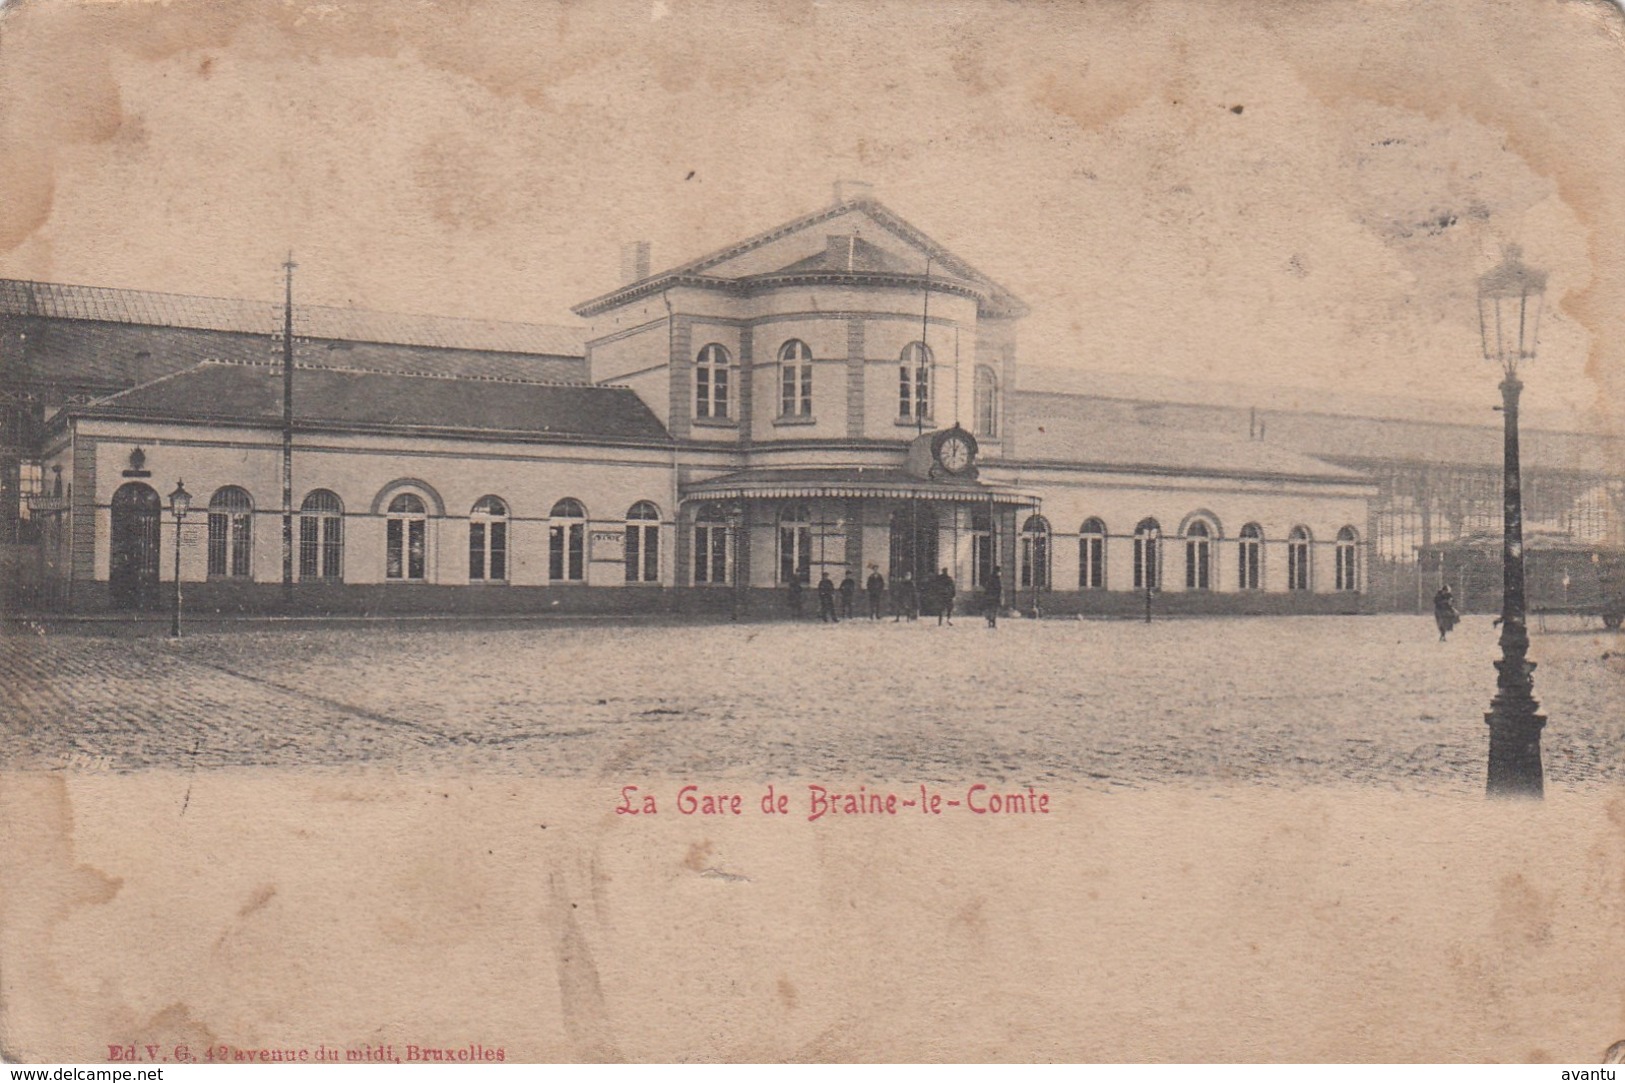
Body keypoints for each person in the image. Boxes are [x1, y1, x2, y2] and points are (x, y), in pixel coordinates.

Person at [984, 564, 1003, 628]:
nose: (1000, 573)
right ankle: (992, 622)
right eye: (999, 571)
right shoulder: (996, 579)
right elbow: (998, 589)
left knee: (991, 610)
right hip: (994, 597)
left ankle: (991, 622)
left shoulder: (991, 579)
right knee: (993, 610)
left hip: (990, 597)